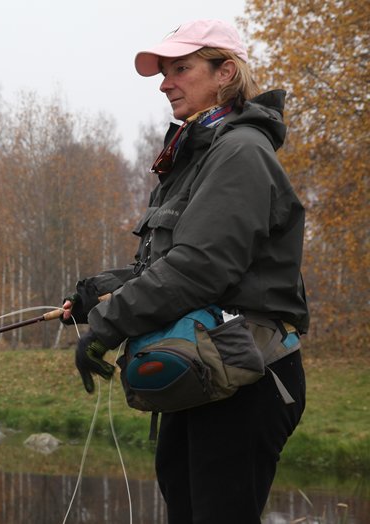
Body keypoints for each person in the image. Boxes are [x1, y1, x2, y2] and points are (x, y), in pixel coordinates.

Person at [61, 19, 308, 523]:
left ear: (226, 73)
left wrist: (108, 327)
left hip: (246, 375)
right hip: (201, 373)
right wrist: (95, 297)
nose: (165, 81)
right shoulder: (194, 158)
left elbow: (200, 270)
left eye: (181, 68)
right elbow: (165, 265)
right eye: (163, 71)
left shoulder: (240, 152)